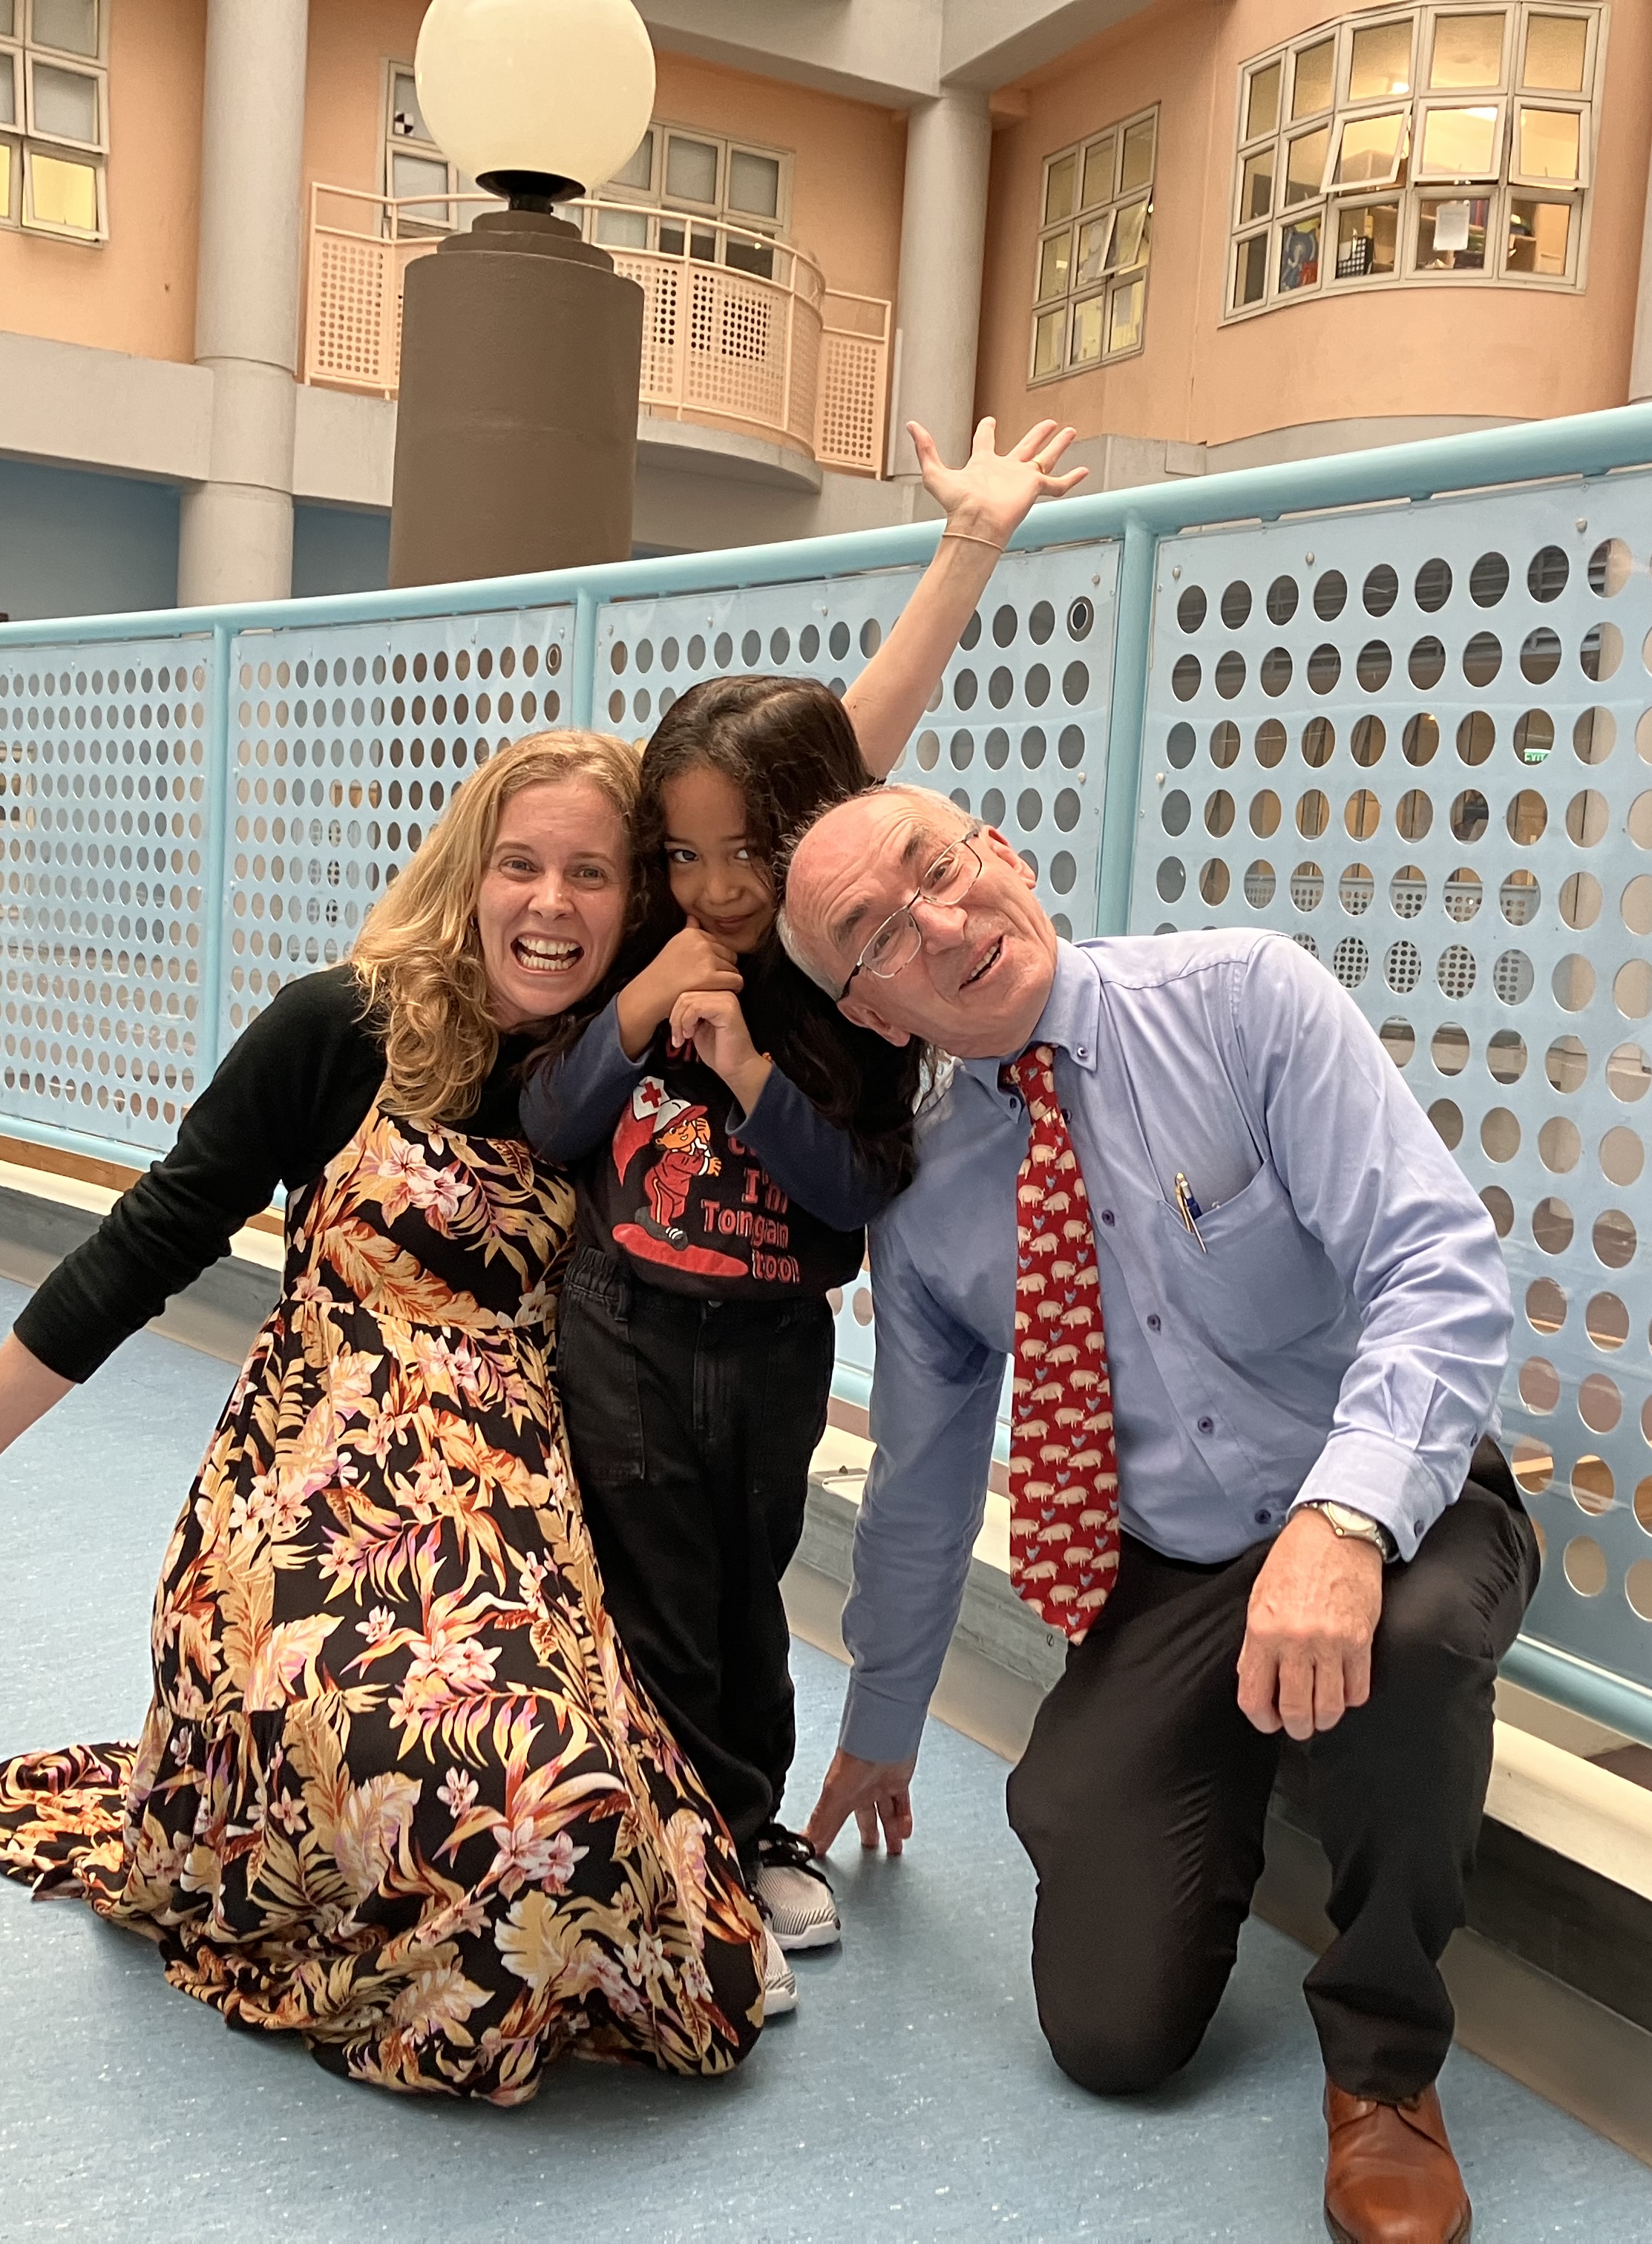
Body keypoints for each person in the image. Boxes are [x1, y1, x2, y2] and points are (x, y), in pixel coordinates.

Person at [0, 731, 767, 2107]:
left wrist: (952, 589)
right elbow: (143, 1247)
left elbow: (786, 798)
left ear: (637, 898)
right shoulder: (341, 1027)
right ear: (469, 873)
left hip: (507, 1518)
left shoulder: (635, 1065)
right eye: (520, 865)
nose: (551, 902)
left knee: (564, 1809)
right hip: (307, 1495)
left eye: (592, 873)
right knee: (438, 1786)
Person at [779, 787, 1528, 2243]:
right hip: (1173, 1568)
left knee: (1415, 1642)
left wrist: (1346, 1521)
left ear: (1003, 854)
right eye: (878, 933)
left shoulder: (1245, 1002)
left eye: (941, 867)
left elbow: (1439, 1268)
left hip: (1391, 1499)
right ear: (870, 1010)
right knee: (1110, 2038)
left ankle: (1383, 2071)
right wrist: (880, 1720)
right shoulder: (925, 1198)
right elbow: (924, 1479)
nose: (940, 922)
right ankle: (1237, 1757)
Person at [523, 419, 1084, 1971]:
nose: (715, 888)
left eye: (745, 856)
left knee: (750, 1589)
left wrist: (753, 1070)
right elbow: (552, 1119)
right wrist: (644, 1009)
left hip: (772, 1345)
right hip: (621, 1326)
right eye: (680, 855)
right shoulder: (652, 957)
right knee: (655, 1590)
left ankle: (746, 1824)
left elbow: (846, 1207)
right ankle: (676, 1844)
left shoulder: (835, 980)